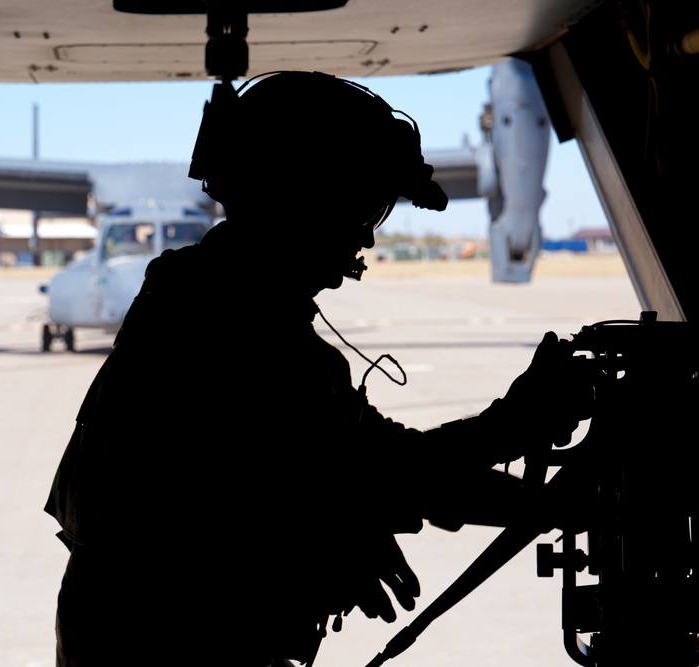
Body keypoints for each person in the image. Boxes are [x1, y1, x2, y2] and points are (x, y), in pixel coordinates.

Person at [44, 70, 590, 667]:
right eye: (360, 207)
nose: (366, 238)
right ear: (302, 200)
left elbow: (371, 468)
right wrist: (518, 435)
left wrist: (525, 455)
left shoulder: (218, 308)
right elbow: (379, 478)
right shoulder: (222, 323)